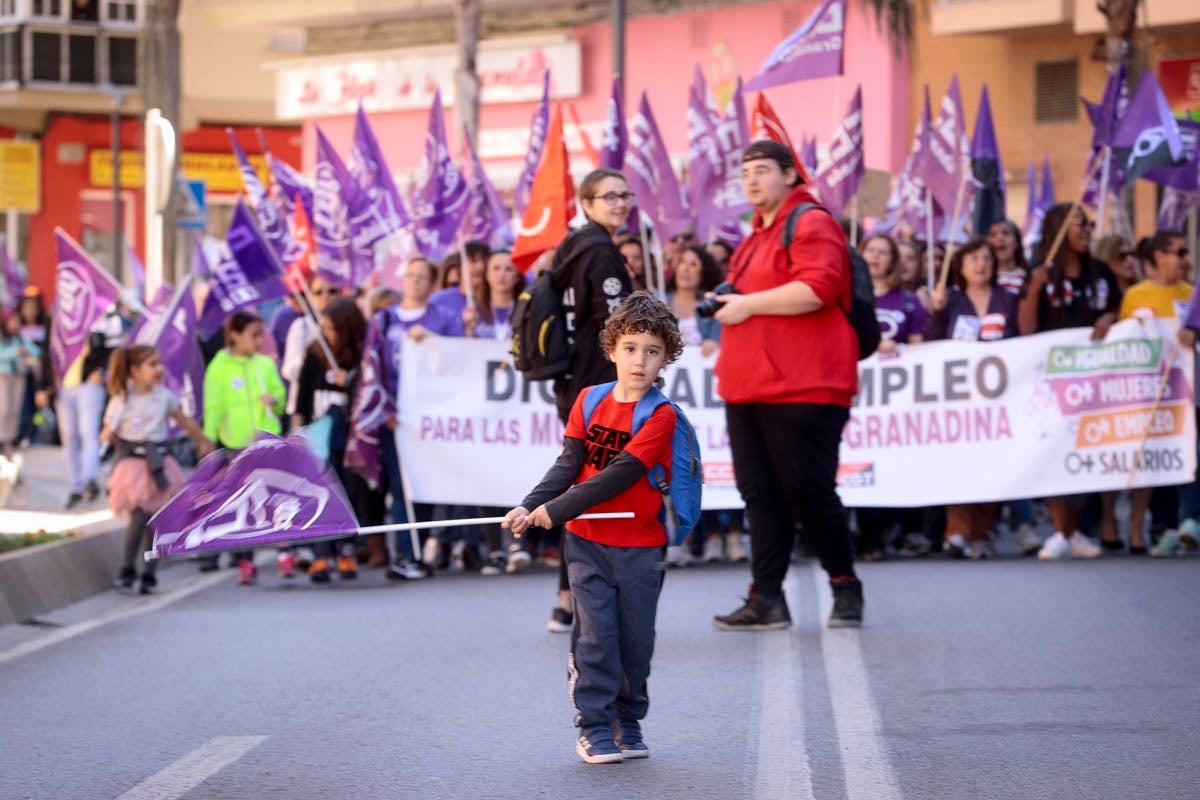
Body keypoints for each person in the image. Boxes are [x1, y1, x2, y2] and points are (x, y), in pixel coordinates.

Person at [502, 292, 685, 764]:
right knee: (596, 637)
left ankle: (629, 718)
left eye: (651, 351)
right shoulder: (588, 399)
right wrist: (530, 505)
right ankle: (595, 724)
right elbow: (568, 465)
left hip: (642, 546)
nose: (639, 360)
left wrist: (558, 510)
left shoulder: (661, 416)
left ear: (667, 357)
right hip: (587, 543)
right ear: (610, 350)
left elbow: (621, 473)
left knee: (636, 642)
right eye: (629, 348)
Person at [709, 139, 863, 631]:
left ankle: (844, 586)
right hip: (748, 385)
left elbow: (817, 288)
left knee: (808, 492)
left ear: (791, 176)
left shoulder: (810, 221)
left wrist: (749, 304)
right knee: (760, 495)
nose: (751, 180)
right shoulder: (755, 235)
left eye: (762, 170)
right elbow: (755, 292)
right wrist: (732, 297)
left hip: (804, 385)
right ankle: (767, 598)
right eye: (746, 172)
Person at [539, 167, 635, 632]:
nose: (619, 203)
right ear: (588, 203)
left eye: (624, 195)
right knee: (592, 494)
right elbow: (621, 331)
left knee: (582, 489)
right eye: (608, 196)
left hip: (574, 387)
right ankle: (578, 597)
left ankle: (566, 599)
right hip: (600, 392)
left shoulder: (569, 249)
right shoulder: (601, 254)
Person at [1019, 203, 1117, 560]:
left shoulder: (1101, 273)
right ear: (1058, 229)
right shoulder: (1040, 273)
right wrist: (1034, 288)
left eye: (1089, 224)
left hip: (1092, 379)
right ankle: (1060, 531)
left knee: (1083, 452)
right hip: (1051, 381)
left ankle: (1072, 531)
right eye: (1079, 224)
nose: (1087, 230)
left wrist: (1109, 317)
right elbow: (1027, 327)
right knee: (1055, 451)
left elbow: (1119, 310)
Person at [358, 256, 463, 581]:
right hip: (396, 419)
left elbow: (458, 361)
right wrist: (384, 411)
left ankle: (420, 547)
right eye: (411, 275)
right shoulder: (384, 320)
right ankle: (406, 553)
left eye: (423, 277)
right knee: (401, 485)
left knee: (425, 485)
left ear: (432, 285)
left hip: (431, 420)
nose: (416, 282)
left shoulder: (443, 319)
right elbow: (370, 369)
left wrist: (432, 343)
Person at [924, 240, 1021, 558]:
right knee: (959, 465)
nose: (981, 264)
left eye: (986, 259)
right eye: (974, 258)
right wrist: (937, 312)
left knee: (993, 466)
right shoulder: (951, 300)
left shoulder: (1007, 299)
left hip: (999, 401)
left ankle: (980, 531)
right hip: (959, 402)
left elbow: (1021, 341)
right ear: (961, 266)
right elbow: (932, 343)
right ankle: (956, 532)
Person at [103, 345, 214, 594]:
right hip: (134, 465)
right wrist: (108, 435)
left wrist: (202, 440)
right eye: (152, 364)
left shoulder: (163, 397)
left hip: (161, 462)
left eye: (159, 363)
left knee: (157, 521)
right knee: (140, 515)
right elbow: (108, 431)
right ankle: (127, 568)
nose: (159, 369)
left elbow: (183, 420)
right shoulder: (122, 400)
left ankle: (149, 572)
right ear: (135, 370)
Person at [1116, 230, 1194, 558]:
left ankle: (1184, 520)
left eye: (1187, 252)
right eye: (1179, 252)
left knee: (1186, 452)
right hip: (1146, 393)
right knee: (1154, 456)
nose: (1185, 259)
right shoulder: (1136, 295)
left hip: (1186, 392)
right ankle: (1156, 525)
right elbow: (1122, 342)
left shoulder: (1193, 294)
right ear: (1159, 256)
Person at [202, 311, 287, 583]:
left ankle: (284, 554)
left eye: (261, 334)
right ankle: (245, 562)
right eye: (254, 335)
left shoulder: (265, 364)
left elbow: (282, 398)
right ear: (235, 335)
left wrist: (274, 400)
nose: (259, 340)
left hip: (267, 442)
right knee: (243, 504)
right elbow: (213, 407)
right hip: (236, 446)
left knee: (276, 497)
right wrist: (207, 439)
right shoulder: (219, 366)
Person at [294, 298, 373, 581]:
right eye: (322, 328)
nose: (326, 335)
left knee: (349, 492)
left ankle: (346, 551)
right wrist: (297, 433)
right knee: (320, 493)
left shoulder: (362, 356)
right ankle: (321, 554)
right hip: (319, 437)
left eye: (332, 329)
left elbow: (371, 393)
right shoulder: (315, 355)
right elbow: (302, 400)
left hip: (350, 438)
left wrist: (350, 380)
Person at [664, 244, 723, 567]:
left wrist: (717, 341)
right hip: (668, 400)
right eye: (681, 263)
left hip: (705, 407)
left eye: (693, 264)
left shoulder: (710, 305)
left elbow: (724, 338)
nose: (686, 269)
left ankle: (713, 537)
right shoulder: (661, 301)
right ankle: (677, 540)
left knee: (698, 468)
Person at [281, 276, 341, 426]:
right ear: (310, 297)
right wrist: (306, 361)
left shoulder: (347, 325)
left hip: (337, 408)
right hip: (307, 407)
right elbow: (288, 370)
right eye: (318, 292)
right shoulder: (302, 326)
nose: (326, 296)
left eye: (332, 291)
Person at [864, 233, 926, 352]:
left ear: (892, 262)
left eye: (882, 252)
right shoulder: (849, 296)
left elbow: (918, 349)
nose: (875, 255)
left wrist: (897, 348)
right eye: (870, 250)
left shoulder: (911, 301)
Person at [15, 288, 53, 447]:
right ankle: (22, 433)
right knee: (24, 407)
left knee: (40, 408)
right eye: (27, 308)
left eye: (33, 308)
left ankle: (37, 432)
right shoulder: (18, 329)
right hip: (22, 373)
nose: (30, 312)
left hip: (39, 374)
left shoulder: (44, 328)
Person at [464, 249, 525, 341]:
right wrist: (469, 329)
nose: (502, 274)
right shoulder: (474, 310)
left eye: (508, 269)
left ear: (517, 276)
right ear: (487, 274)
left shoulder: (526, 312)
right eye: (496, 268)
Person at [0, 311, 38, 456]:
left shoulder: (20, 338)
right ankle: (1, 438)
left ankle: (9, 439)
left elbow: (36, 351)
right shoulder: (3, 338)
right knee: (3, 409)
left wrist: (26, 351)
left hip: (19, 376)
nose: (15, 324)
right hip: (3, 376)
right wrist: (15, 351)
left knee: (15, 410)